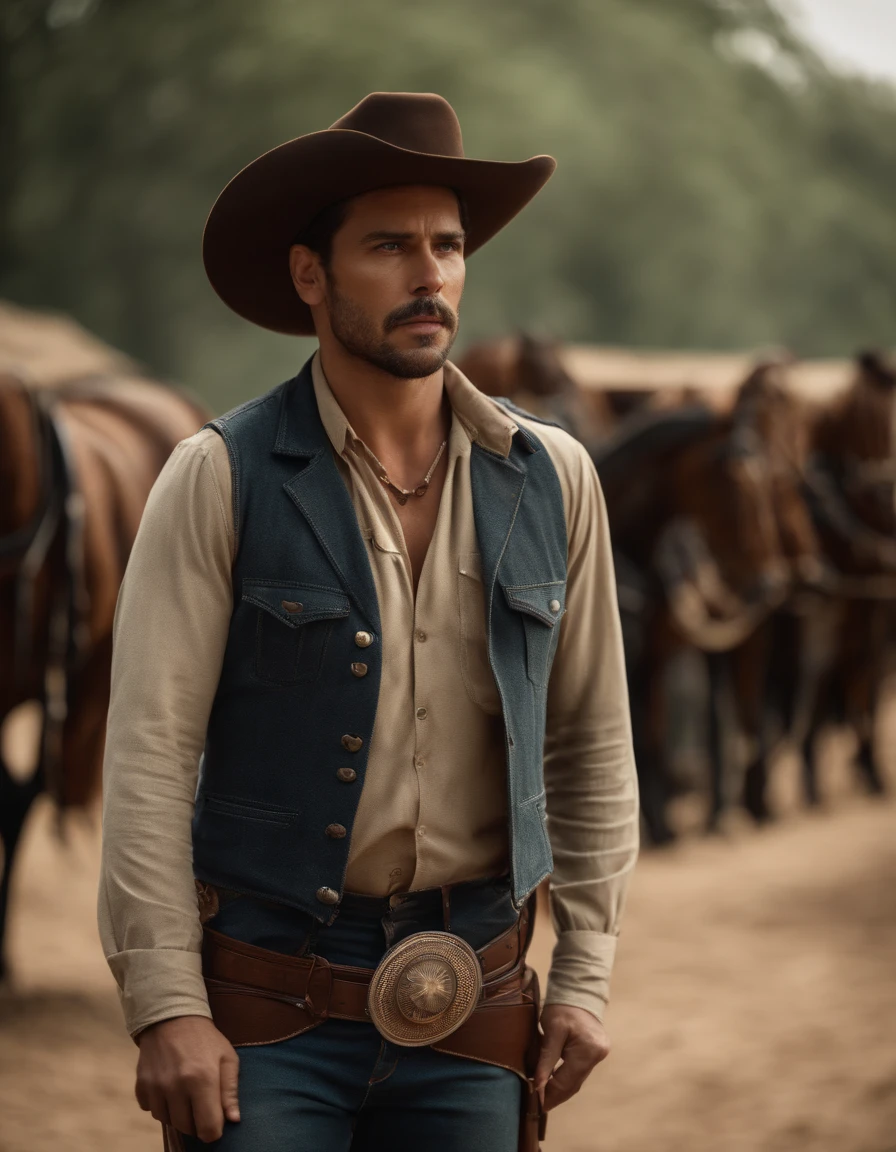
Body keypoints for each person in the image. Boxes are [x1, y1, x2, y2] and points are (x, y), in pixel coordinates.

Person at [99, 91, 638, 1151]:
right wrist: (167, 1006)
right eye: (389, 246)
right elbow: (150, 758)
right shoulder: (220, 477)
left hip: (476, 1001)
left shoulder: (554, 478)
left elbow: (590, 738)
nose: (429, 274)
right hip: (267, 1007)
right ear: (312, 274)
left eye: (446, 245)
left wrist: (581, 975)